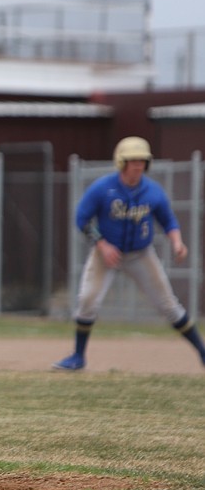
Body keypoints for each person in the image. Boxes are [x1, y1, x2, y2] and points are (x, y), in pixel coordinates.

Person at [54, 136, 205, 371]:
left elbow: (168, 221)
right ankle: (78, 357)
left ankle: (202, 352)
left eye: (142, 161)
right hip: (106, 253)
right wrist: (102, 244)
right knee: (87, 300)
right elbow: (81, 219)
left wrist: (177, 242)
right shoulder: (103, 188)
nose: (137, 166)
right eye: (132, 161)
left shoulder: (152, 191)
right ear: (121, 162)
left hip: (140, 254)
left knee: (168, 305)